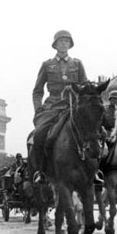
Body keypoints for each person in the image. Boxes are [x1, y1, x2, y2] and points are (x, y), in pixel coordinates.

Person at [31, 30, 102, 184]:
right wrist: (39, 109)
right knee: (39, 134)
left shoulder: (77, 63)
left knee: (97, 131)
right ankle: (41, 171)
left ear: (70, 44)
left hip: (75, 104)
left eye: (66, 41)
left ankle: (95, 170)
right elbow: (37, 91)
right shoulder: (47, 65)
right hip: (53, 105)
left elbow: (85, 84)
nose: (63, 43)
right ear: (55, 45)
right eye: (60, 41)